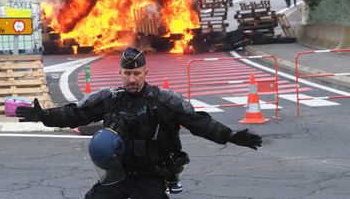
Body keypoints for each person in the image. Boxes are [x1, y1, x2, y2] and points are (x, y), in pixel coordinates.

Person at [16, 47, 262, 199]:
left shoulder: (163, 102)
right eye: (128, 73)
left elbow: (198, 122)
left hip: (150, 178)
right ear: (120, 73)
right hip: (117, 176)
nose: (132, 78)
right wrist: (45, 116)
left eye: (137, 73)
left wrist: (229, 136)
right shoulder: (109, 100)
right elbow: (76, 114)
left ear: (145, 72)